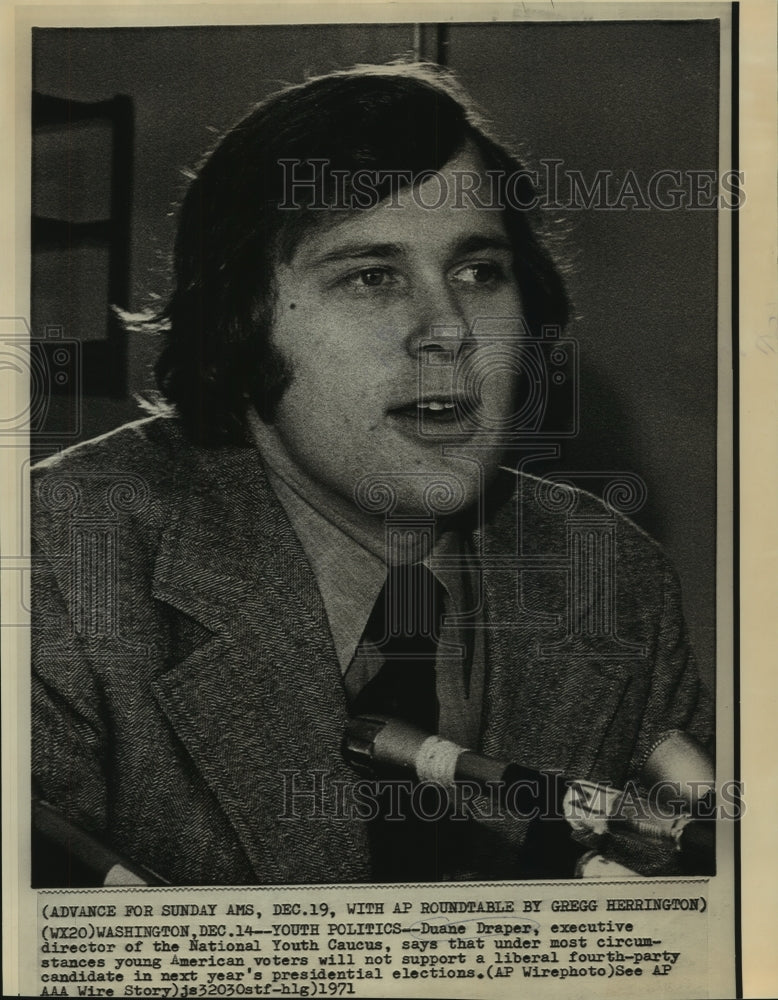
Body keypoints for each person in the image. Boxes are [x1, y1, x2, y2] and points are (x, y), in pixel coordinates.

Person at [31, 62, 713, 886]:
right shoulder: (60, 558)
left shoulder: (618, 579)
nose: (449, 330)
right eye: (371, 276)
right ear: (242, 323)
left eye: (478, 272)